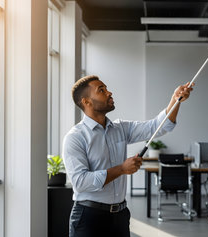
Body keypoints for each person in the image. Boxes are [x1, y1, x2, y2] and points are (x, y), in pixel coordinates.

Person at [62, 75, 193, 237]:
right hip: (89, 218)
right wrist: (121, 169)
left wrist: (175, 100)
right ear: (86, 102)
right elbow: (81, 182)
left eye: (106, 88)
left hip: (120, 216)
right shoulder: (75, 137)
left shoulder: (121, 128)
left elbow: (158, 127)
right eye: (101, 90)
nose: (109, 93)